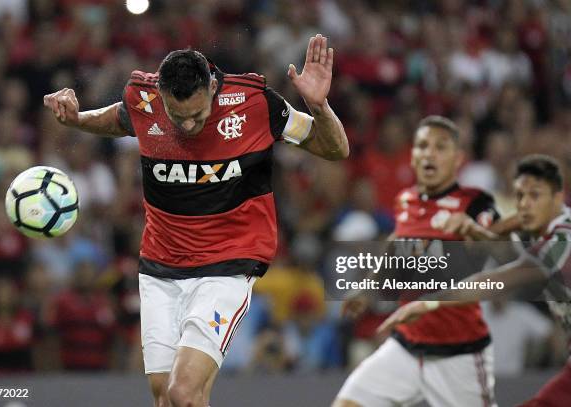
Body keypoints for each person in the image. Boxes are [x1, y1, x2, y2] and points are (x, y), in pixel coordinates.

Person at [43, 34, 348, 407]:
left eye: (198, 115)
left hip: (226, 267)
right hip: (160, 269)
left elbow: (335, 149)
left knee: (183, 391)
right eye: (178, 116)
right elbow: (120, 119)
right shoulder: (145, 97)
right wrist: (76, 120)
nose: (188, 127)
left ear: (213, 86)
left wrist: (319, 107)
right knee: (165, 397)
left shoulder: (255, 103)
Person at [377, 155, 571, 406]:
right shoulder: (560, 219)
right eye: (520, 196)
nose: (525, 205)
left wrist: (428, 303)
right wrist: (480, 231)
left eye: (534, 196)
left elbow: (491, 282)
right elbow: (515, 223)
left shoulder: (558, 247)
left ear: (557, 197)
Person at [333, 116, 501, 407]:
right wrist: (368, 287)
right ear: (413, 156)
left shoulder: (475, 203)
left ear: (458, 158)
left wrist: (477, 234)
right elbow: (397, 245)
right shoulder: (406, 200)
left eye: (440, 146)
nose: (430, 153)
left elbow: (500, 248)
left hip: (458, 352)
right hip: (407, 347)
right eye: (423, 146)